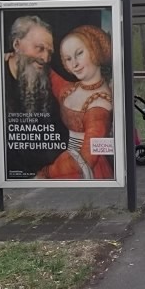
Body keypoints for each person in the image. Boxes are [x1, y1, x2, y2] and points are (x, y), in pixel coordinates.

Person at [36, 25, 114, 179]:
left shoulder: (99, 105)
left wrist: (47, 172)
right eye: (68, 59)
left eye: (79, 53)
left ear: (95, 50)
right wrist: (25, 57)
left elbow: (87, 157)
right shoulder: (72, 88)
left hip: (83, 169)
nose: (74, 64)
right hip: (67, 163)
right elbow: (53, 79)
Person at [4, 15, 68, 178]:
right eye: (39, 48)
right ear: (17, 45)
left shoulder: (48, 79)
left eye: (49, 52)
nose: (45, 58)